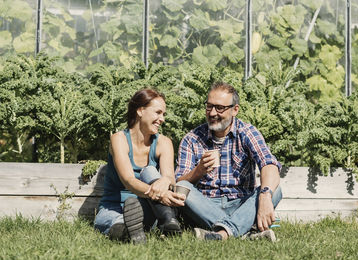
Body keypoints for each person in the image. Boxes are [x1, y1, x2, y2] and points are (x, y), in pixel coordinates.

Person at [175, 82, 282, 241]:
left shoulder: (247, 132)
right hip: (206, 206)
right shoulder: (192, 139)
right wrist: (198, 171)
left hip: (241, 203)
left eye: (219, 108)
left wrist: (265, 197)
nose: (212, 113)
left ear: (235, 110)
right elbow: (179, 182)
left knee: (275, 190)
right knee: (182, 189)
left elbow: (269, 165)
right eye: (209, 106)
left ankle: (222, 234)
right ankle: (244, 230)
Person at [94, 87, 186, 244]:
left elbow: (169, 176)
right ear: (140, 111)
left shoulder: (164, 142)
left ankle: (166, 220)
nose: (162, 119)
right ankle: (127, 232)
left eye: (163, 114)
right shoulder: (119, 139)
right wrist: (159, 193)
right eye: (158, 112)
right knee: (115, 222)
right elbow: (128, 180)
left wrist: (165, 181)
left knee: (149, 171)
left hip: (148, 208)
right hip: (114, 208)